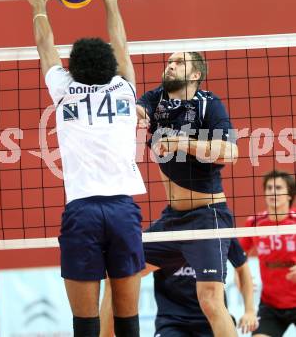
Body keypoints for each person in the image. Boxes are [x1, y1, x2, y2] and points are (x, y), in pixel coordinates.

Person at [20, 0, 146, 337]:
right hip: (123, 210)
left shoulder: (63, 89)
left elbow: (46, 47)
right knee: (127, 319)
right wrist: (109, 1)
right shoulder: (125, 89)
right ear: (110, 66)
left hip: (82, 212)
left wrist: (40, 6)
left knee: (86, 323)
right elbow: (120, 44)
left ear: (73, 66)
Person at [101, 51, 239, 336]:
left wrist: (180, 142)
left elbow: (231, 153)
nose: (171, 65)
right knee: (118, 275)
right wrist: (127, 113)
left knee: (211, 300)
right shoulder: (156, 99)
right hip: (172, 221)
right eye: (169, 62)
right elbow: (138, 111)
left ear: (196, 74)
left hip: (207, 217)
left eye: (179, 62)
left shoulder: (209, 105)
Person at [152, 238, 258, 337]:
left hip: (212, 319)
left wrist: (249, 311)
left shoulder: (217, 226)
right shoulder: (161, 231)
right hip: (172, 321)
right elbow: (140, 270)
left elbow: (242, 268)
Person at [239, 170, 296, 337]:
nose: (273, 192)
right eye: (269, 188)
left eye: (278, 188)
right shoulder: (254, 222)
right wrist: (240, 274)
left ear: (290, 195)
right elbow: (237, 257)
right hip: (271, 305)